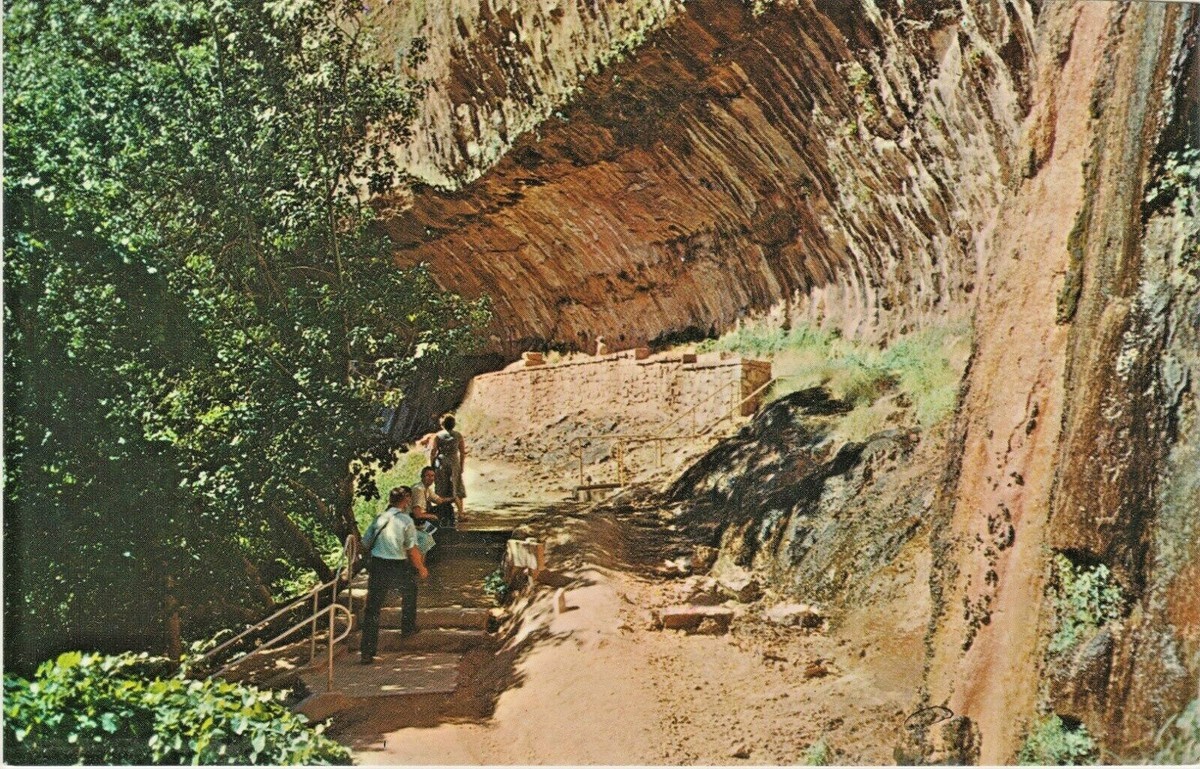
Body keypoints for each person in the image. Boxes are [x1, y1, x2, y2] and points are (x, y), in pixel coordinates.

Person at [358, 486, 428, 664]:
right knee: (410, 591)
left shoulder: (379, 518)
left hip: (378, 564)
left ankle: (367, 652)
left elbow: (365, 543)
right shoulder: (406, 521)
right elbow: (411, 549)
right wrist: (421, 568)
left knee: (373, 607)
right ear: (405, 501)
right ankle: (407, 628)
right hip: (397, 564)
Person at [432, 414, 467, 521]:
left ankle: (442, 514)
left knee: (442, 487)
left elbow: (433, 451)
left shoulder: (438, 436)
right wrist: (461, 465)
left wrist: (432, 464)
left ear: (443, 424)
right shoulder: (458, 435)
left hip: (441, 462)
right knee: (456, 486)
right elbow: (462, 452)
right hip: (454, 462)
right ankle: (460, 514)